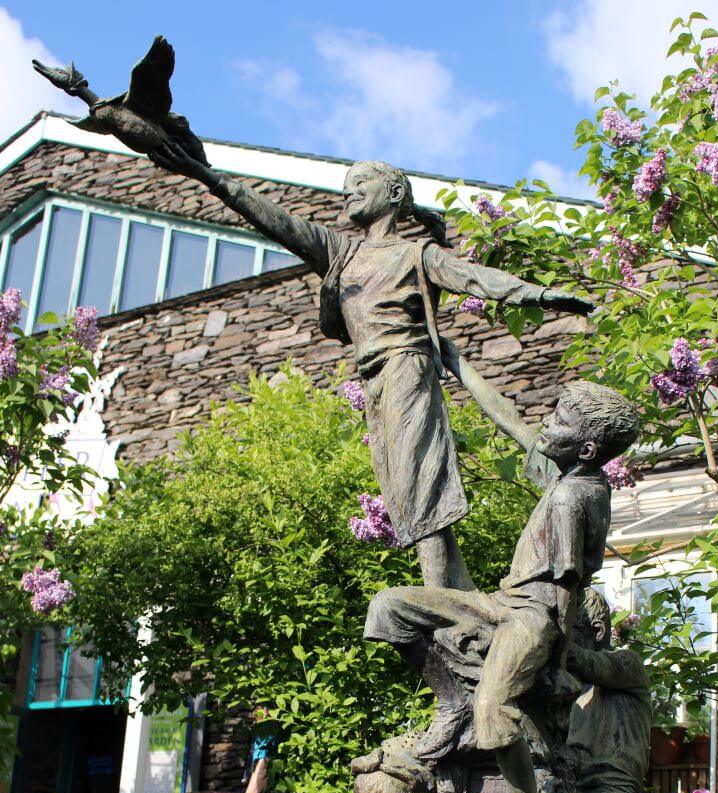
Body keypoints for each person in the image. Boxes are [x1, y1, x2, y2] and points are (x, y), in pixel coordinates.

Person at [134, 142, 592, 588]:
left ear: (393, 194)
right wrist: (209, 177)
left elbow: (477, 278)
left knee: (418, 476)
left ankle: (437, 595)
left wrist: (541, 294)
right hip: (374, 376)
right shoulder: (342, 253)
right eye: (345, 186)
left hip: (406, 368)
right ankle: (456, 589)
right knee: (400, 483)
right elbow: (277, 221)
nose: (347, 193)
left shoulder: (417, 255)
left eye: (359, 183)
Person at [364, 346, 640, 793]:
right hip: (503, 602)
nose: (546, 423)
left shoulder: (571, 501)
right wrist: (456, 363)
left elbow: (563, 595)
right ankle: (450, 702)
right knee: (389, 608)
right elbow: (509, 419)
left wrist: (555, 664)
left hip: (533, 619)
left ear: (584, 446)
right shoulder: (570, 473)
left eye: (560, 419)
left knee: (492, 713)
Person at [566, 590, 652, 793]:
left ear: (598, 630)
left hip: (610, 789)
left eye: (567, 631)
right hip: (567, 781)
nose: (563, 639)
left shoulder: (627, 664)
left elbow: (585, 662)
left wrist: (543, 640)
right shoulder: (568, 688)